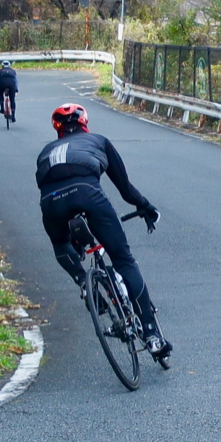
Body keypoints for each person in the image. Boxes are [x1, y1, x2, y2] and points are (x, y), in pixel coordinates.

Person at [35, 102, 171, 360]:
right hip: (87, 194)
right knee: (124, 261)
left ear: (57, 129)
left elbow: (44, 182)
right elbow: (125, 188)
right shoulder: (98, 141)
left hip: (51, 202)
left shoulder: (45, 151)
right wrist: (144, 206)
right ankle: (152, 335)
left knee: (60, 243)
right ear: (84, 122)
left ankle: (83, 282)